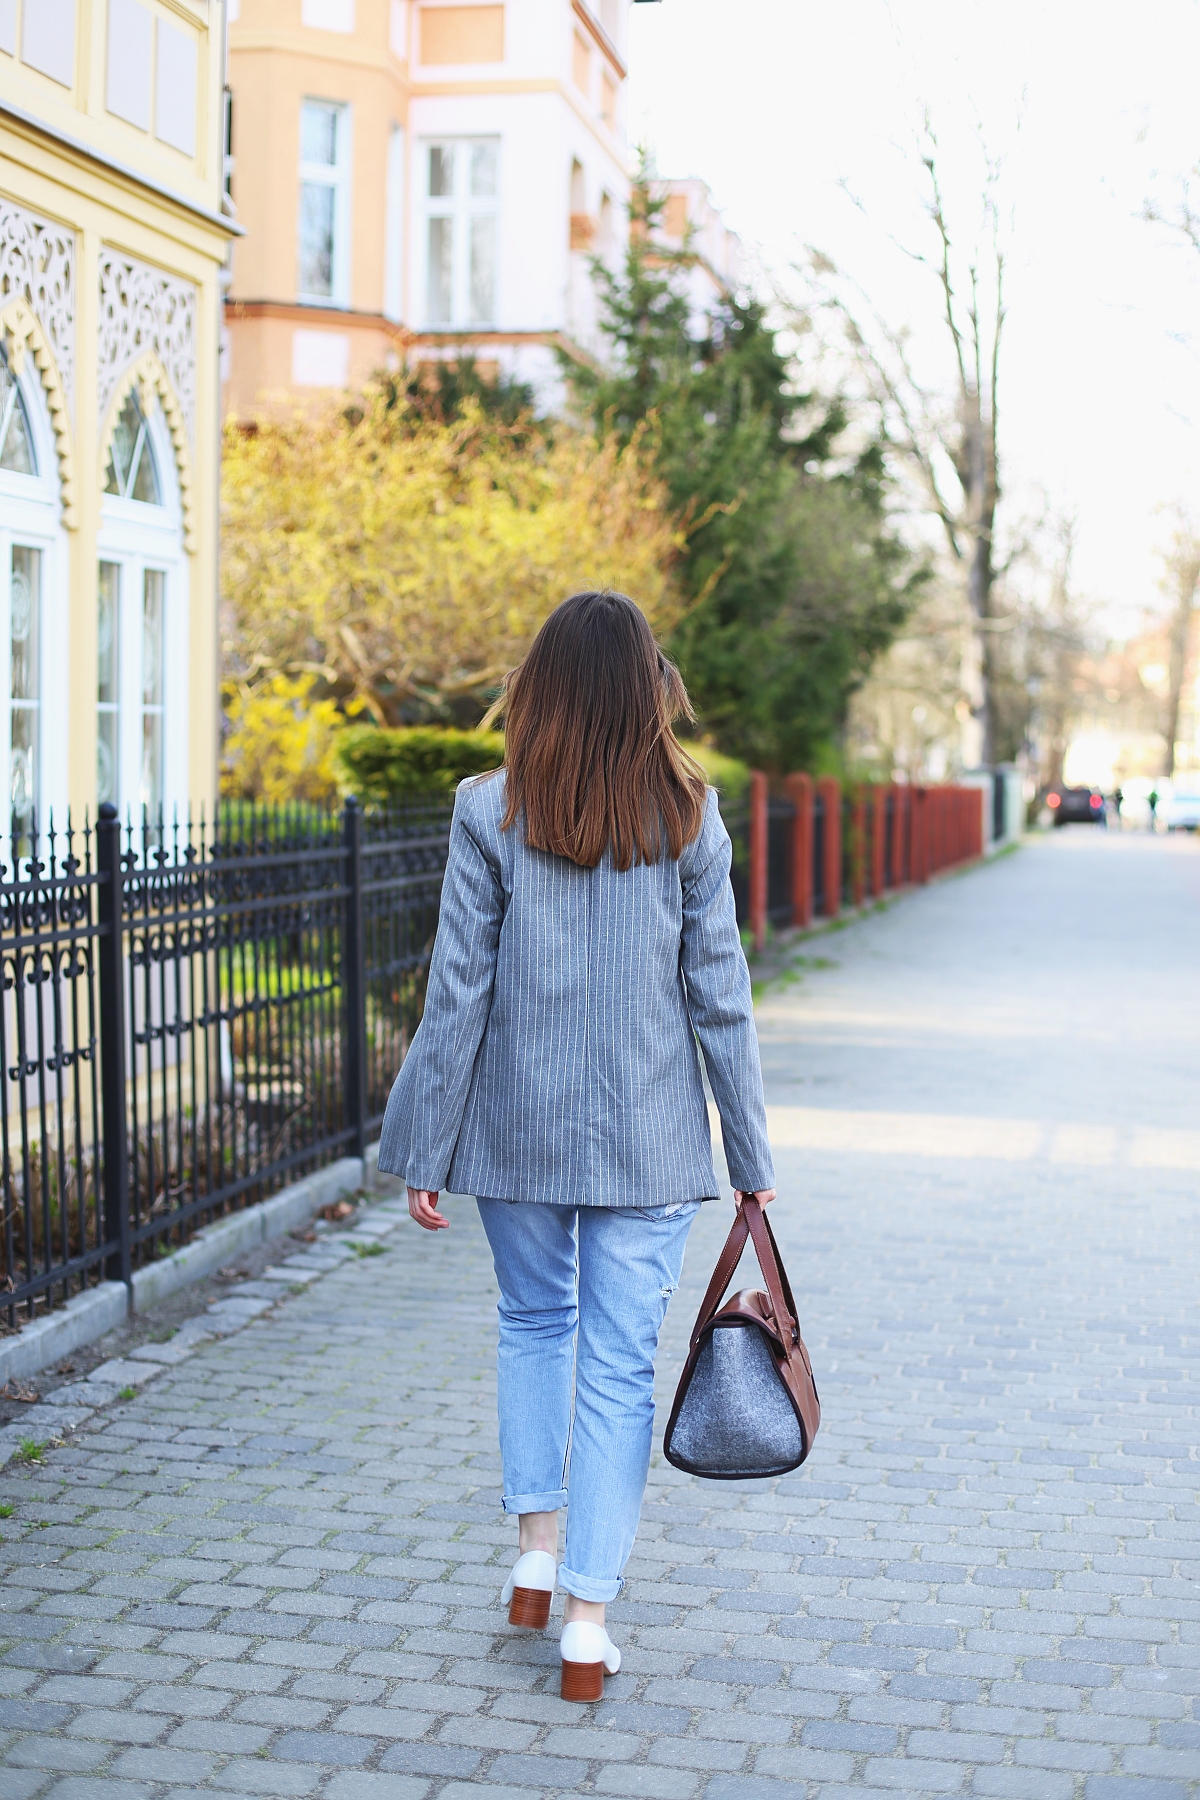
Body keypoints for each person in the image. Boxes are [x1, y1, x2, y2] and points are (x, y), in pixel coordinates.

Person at [378, 590, 775, 1702]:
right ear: (649, 689)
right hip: (650, 1143)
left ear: (540, 686)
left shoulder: (487, 809)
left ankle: (535, 1554)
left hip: (513, 1134)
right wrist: (750, 1152)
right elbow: (721, 998)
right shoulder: (690, 815)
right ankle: (589, 1625)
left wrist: (427, 1145)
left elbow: (457, 988)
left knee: (532, 1325)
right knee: (615, 1370)